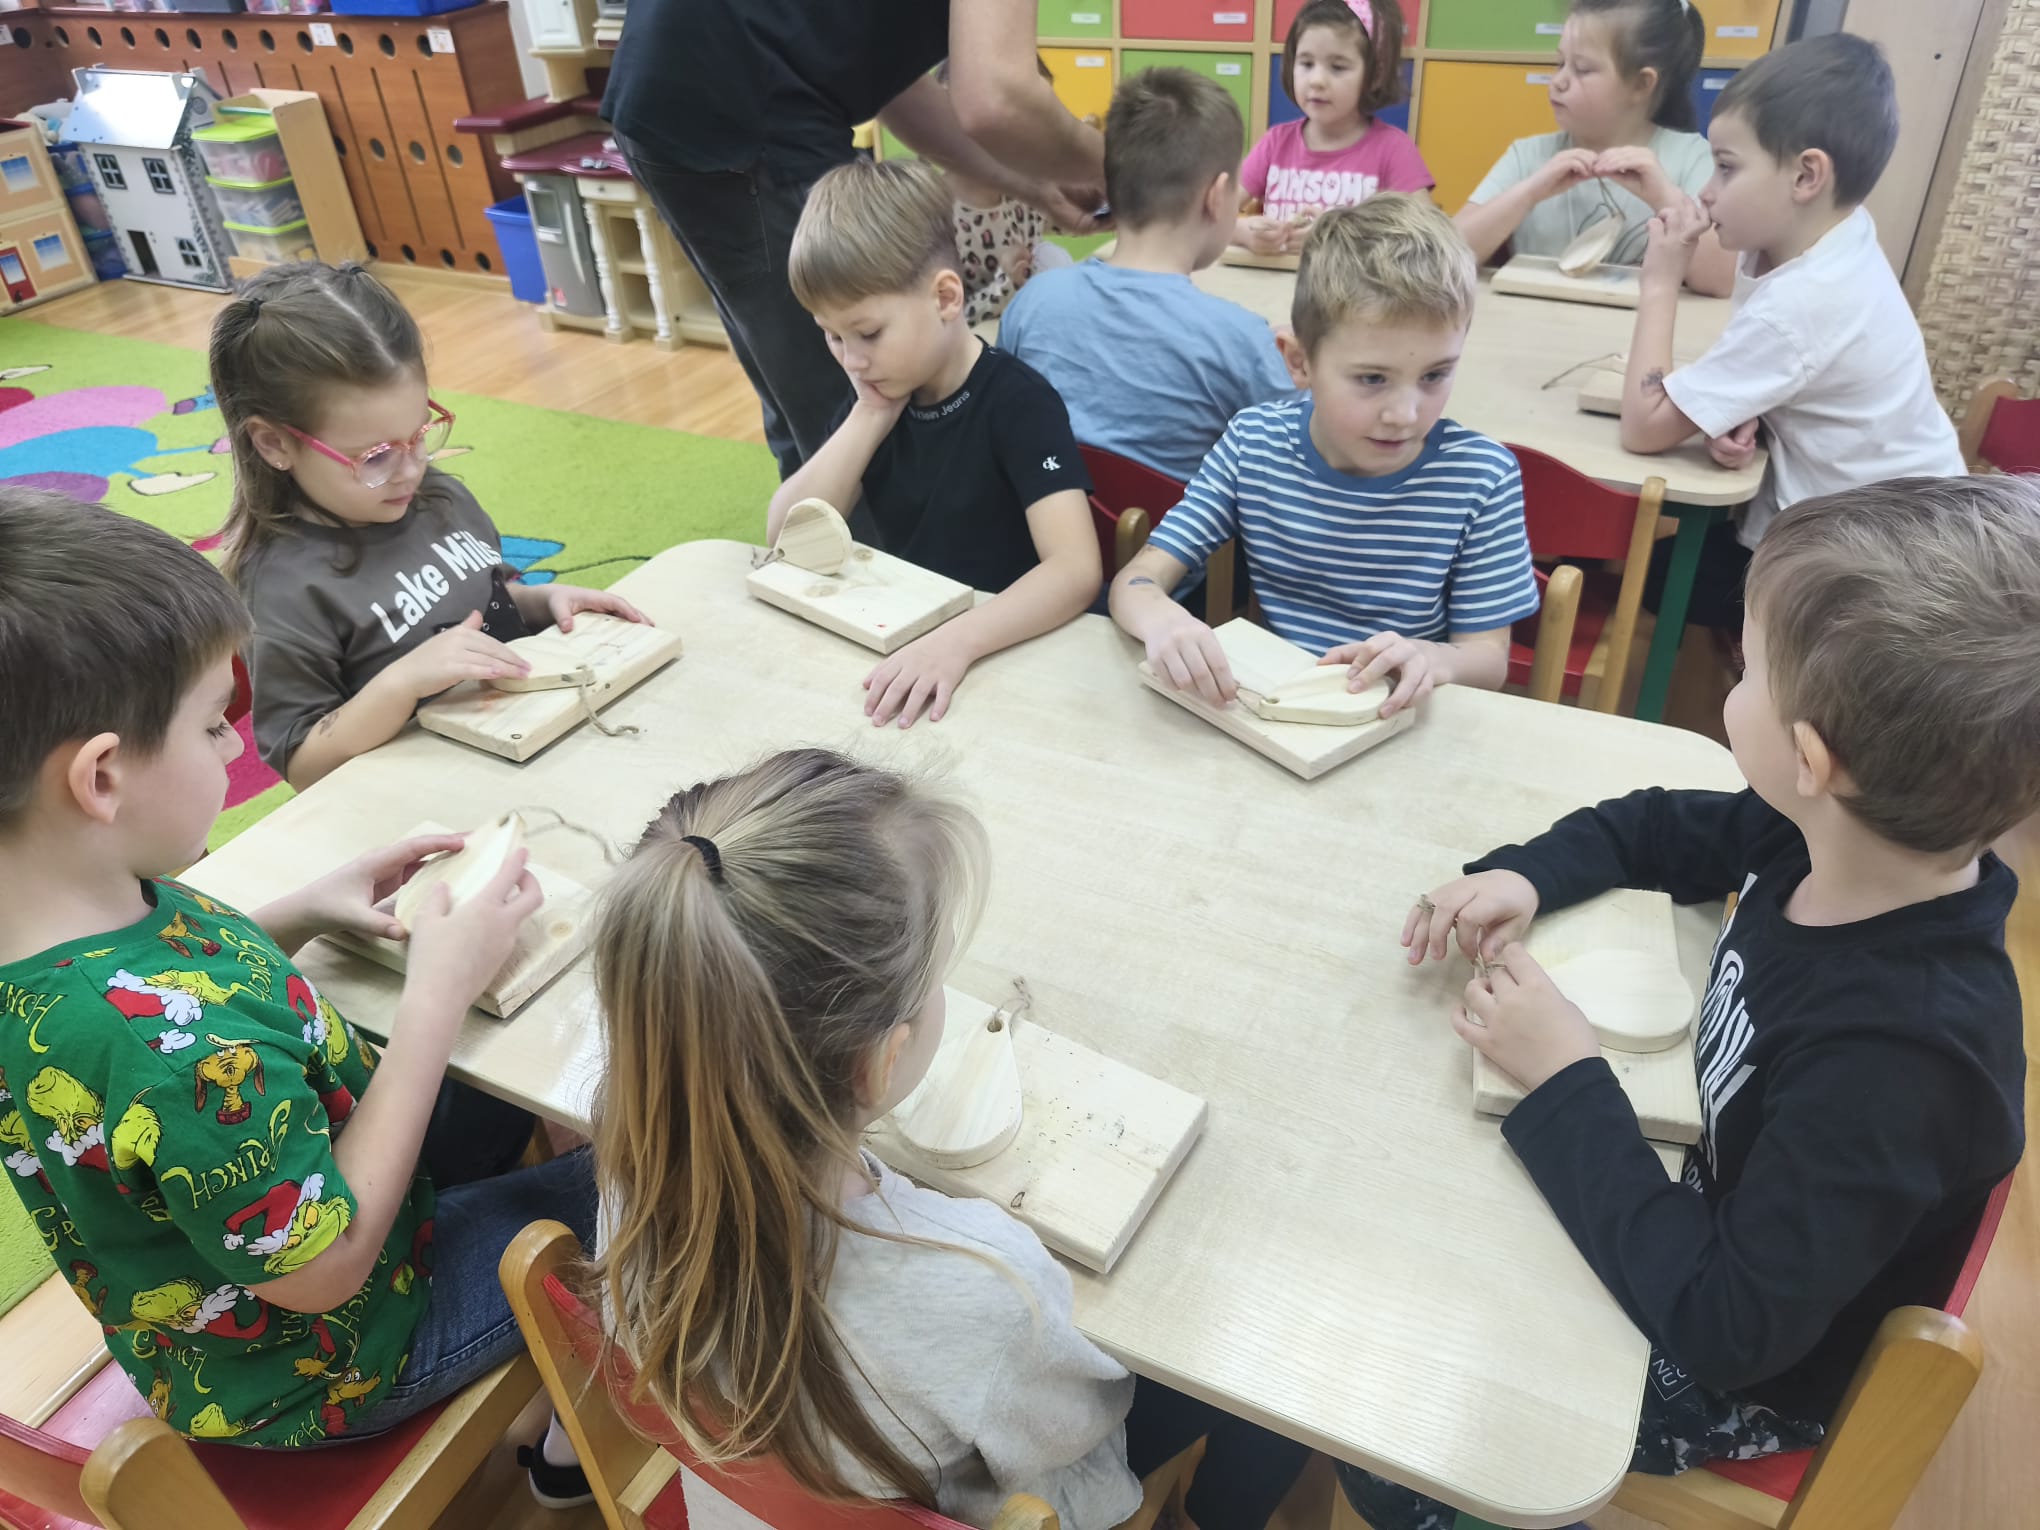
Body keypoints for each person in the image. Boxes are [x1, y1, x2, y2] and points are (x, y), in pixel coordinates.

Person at [1353, 475, 2040, 1530]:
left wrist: (1567, 1078)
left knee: (1394, 1435)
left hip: (1748, 1368)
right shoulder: (1834, 839)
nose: (1733, 679)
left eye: (1747, 667)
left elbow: (1728, 1329)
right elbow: (1657, 827)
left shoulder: (1898, 1066)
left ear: (1811, 758)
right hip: (1711, 1216)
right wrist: (1530, 873)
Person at [0, 488, 596, 1450]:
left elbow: (169, 988)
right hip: (342, 1355)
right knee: (652, 1186)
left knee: (508, 1083)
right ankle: (567, 1449)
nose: (235, 744)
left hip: (302, 1212)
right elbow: (330, 1269)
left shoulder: (68, 901)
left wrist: (310, 906)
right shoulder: (167, 1061)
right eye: (212, 725)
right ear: (101, 778)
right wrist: (436, 996)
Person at [584, 747, 1311, 1529]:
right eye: (933, 975)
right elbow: (1082, 1426)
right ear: (880, 1063)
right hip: (984, 1488)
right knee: (1267, 1382)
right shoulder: (987, 1282)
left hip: (735, 1502)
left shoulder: (631, 1158)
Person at [603, 0, 1109, 482]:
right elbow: (996, 99)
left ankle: (820, 523)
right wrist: (1120, 167)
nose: (855, 353)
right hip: (735, 99)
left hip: (674, 84)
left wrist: (1035, 185)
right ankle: (859, 534)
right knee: (853, 407)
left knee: (802, 383)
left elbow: (896, 88)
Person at [210, 263, 648, 790]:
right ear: (274, 443)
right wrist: (399, 685)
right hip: (435, 794)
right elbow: (303, 765)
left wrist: (542, 601)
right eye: (375, 456)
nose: (411, 469)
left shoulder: (433, 495)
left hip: (533, 746)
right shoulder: (284, 587)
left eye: (419, 434)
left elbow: (487, 598)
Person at [1109, 195, 1540, 719]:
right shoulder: (1253, 444)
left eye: (1435, 374)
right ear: (1298, 362)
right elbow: (1136, 581)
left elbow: (1488, 660)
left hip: (1400, 719)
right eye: (1372, 378)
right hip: (1279, 709)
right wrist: (1161, 619)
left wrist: (1434, 658)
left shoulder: (1482, 478)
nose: (1404, 414)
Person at [1618, 33, 1966, 631]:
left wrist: (1659, 284)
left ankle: (1761, 674)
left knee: (1655, 575)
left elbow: (1643, 427)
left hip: (1880, 569)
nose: (1706, 191)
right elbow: (1804, 373)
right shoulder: (1832, 239)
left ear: (1806, 175)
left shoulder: (1804, 301)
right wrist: (1754, 415)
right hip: (1907, 522)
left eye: (1727, 167)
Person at [770, 159, 1101, 729]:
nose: (851, 360)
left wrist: (957, 642)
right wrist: (872, 413)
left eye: (868, 333)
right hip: (906, 640)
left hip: (1002, 651)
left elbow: (1075, 569)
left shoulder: (1019, 403)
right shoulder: (877, 391)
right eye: (831, 335)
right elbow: (784, 535)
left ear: (946, 298)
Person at [1000, 67, 1293, 486]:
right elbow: (1296, 460)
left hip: (1039, 520)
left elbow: (1006, 418)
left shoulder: (1032, 301)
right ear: (1216, 196)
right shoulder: (1242, 340)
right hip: (1175, 532)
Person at [1454, 0, 1732, 296]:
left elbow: (1721, 280)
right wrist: (1530, 191)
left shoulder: (1692, 157)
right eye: (1560, 63)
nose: (1558, 81)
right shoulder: (1528, 155)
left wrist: (1663, 196)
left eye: (1582, 69)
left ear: (1641, 84)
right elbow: (1447, 255)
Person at [1235, 0, 1432, 255]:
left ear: (1375, 76)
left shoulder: (1394, 150)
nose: (1316, 81)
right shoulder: (1275, 142)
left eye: (1337, 67)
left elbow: (1430, 241)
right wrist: (1243, 233)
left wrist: (1339, 237)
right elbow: (1210, 217)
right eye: (1306, 64)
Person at [939, 57, 1079, 327]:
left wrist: (1111, 207)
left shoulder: (1025, 190)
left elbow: (1066, 217)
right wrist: (1008, 283)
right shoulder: (936, 216)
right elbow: (946, 323)